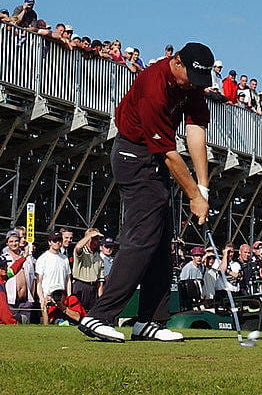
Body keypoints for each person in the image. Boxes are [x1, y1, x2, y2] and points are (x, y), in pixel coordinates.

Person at [78, 42, 215, 343]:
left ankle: (150, 321)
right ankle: (98, 316)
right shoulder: (153, 84)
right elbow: (168, 151)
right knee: (142, 238)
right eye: (190, 75)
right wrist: (193, 196)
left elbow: (196, 132)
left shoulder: (190, 86)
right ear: (176, 61)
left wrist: (203, 185)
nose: (193, 83)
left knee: (161, 241)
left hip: (153, 160)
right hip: (133, 156)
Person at [35, 230, 71, 325]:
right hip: (48, 297)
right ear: (49, 242)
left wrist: (69, 296)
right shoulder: (43, 259)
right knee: (47, 324)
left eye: (59, 240)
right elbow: (39, 282)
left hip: (62, 298)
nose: (57, 243)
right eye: (54, 241)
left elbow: (68, 280)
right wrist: (41, 298)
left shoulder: (65, 259)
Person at [71, 228, 104, 311]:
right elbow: (78, 247)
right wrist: (89, 235)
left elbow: (100, 282)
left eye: (97, 239)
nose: (96, 242)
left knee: (91, 315)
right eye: (94, 239)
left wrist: (100, 299)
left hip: (93, 288)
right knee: (78, 313)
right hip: (80, 285)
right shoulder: (82, 252)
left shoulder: (98, 257)